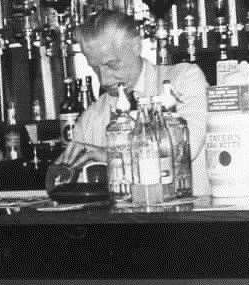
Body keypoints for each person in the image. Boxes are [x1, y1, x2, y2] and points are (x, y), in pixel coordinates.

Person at [59, 10, 210, 195]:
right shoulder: (91, 119)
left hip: (188, 220)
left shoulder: (184, 80)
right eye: (95, 69)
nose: (104, 80)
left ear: (136, 46)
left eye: (112, 65)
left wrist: (111, 156)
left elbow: (185, 150)